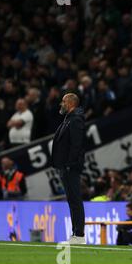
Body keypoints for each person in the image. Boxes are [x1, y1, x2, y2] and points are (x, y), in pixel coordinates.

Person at [51, 93, 86, 244]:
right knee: (72, 200)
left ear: (71, 103)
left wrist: (70, 164)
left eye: (63, 101)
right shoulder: (69, 120)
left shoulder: (75, 120)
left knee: (75, 200)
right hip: (66, 167)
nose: (61, 104)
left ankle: (79, 235)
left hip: (70, 167)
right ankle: (76, 234)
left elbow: (76, 145)